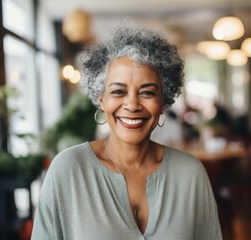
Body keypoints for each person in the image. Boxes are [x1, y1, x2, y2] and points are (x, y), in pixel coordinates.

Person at [31, 26, 222, 239]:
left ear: (162, 101)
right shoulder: (68, 170)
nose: (132, 104)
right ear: (101, 100)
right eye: (118, 91)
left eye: (147, 92)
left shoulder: (190, 173)